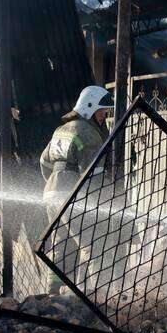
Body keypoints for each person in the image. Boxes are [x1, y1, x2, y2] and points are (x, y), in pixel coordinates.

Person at [39, 86, 113, 294]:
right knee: (94, 244)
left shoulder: (60, 130)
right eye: (102, 110)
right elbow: (92, 176)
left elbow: (44, 161)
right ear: (89, 107)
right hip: (73, 194)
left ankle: (53, 293)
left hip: (51, 192)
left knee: (61, 243)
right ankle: (95, 294)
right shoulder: (90, 134)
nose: (104, 115)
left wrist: (56, 184)